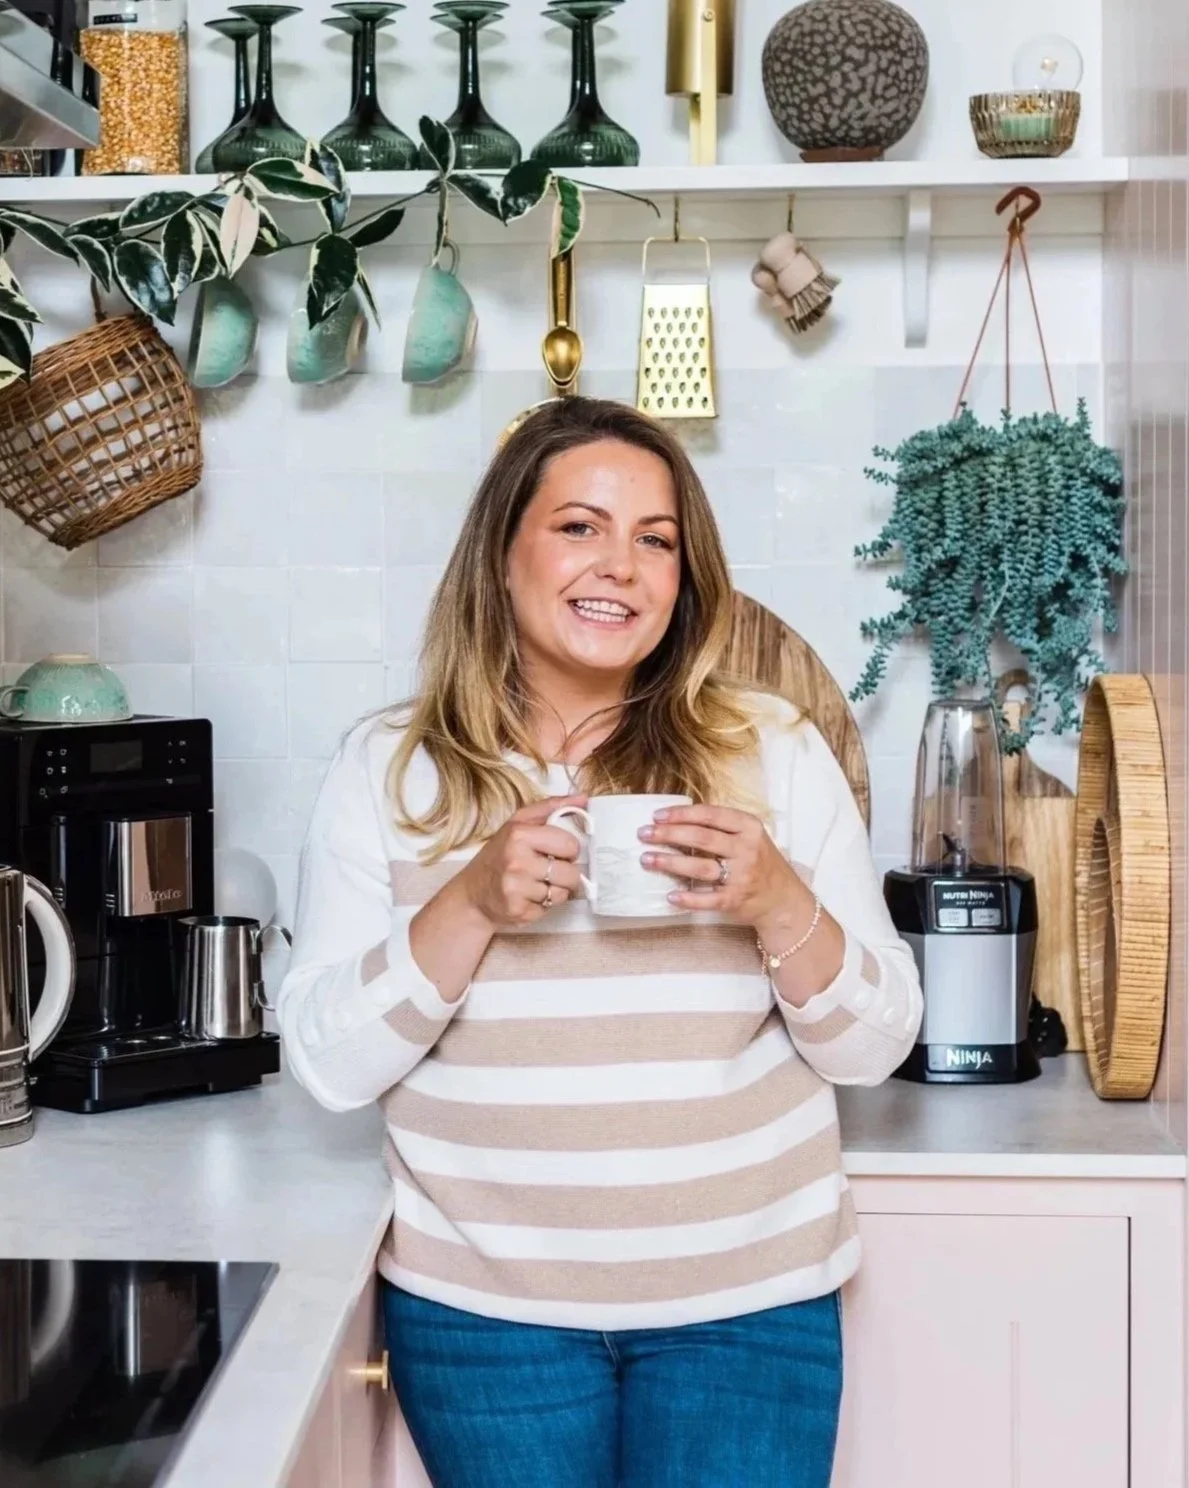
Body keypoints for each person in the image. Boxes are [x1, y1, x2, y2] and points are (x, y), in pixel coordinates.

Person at [278, 396, 923, 1488]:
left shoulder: (773, 750)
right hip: (484, 1320)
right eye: (579, 526)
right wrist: (470, 903)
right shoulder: (391, 769)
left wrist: (776, 900)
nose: (621, 565)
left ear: (684, 578)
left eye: (655, 540)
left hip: (749, 1309)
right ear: (501, 554)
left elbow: (874, 1046)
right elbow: (326, 1065)